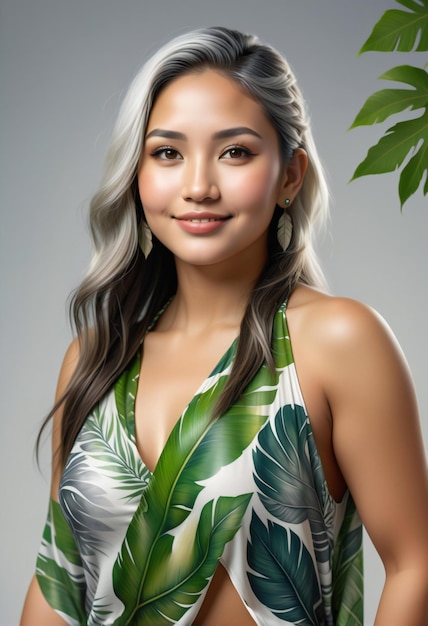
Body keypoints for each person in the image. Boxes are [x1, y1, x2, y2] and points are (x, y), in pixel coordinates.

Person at [20, 26, 427, 626]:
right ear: (137, 177)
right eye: (167, 153)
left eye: (235, 151)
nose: (198, 186)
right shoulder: (94, 358)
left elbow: (416, 563)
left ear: (290, 176)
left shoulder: (339, 341)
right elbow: (60, 579)